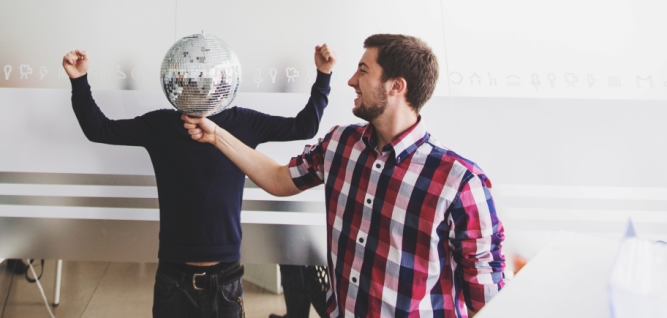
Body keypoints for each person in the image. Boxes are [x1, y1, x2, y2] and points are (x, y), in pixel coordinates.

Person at [184, 34, 505, 318]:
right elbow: (279, 179)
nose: (351, 80)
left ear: (396, 86)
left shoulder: (460, 183)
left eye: (363, 71)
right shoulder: (340, 143)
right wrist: (216, 136)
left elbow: (488, 301)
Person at [62, 45, 335, 318]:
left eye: (208, 77)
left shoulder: (243, 122)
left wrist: (323, 76)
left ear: (223, 81)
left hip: (225, 279)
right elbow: (99, 129)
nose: (200, 84)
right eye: (191, 77)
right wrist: (79, 80)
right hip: (173, 278)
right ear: (177, 82)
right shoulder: (160, 125)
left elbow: (304, 127)